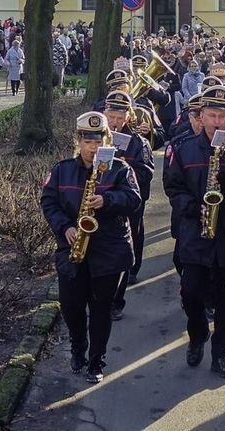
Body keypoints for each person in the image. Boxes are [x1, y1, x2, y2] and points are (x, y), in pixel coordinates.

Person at [162, 85, 225, 379]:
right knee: (191, 292)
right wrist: (194, 208)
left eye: (223, 115)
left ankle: (222, 355)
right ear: (200, 116)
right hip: (196, 231)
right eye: (211, 115)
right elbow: (173, 186)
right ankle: (197, 334)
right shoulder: (182, 148)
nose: (217, 122)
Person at [40, 112, 141, 384]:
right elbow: (48, 202)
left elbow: (133, 200)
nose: (93, 148)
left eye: (98, 141)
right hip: (72, 249)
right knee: (72, 308)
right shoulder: (62, 170)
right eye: (87, 141)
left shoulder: (121, 169)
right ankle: (77, 347)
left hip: (109, 250)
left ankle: (97, 360)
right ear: (79, 141)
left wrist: (106, 200)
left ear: (106, 140)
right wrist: (65, 227)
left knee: (100, 309)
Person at [103, 90, 155, 316]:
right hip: (102, 202)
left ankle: (116, 300)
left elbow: (147, 174)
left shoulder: (138, 143)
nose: (114, 123)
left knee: (125, 250)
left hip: (128, 203)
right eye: (111, 117)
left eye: (119, 118)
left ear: (128, 117)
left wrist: (126, 169)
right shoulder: (96, 138)